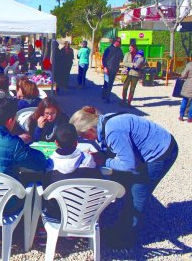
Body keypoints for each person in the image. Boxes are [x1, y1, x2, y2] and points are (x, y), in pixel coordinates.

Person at [69, 106, 178, 248]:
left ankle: (127, 238)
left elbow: (128, 165)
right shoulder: (103, 122)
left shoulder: (113, 130)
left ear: (90, 130)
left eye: (82, 136)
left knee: (137, 194)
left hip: (160, 152)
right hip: (154, 144)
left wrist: (103, 161)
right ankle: (121, 226)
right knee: (128, 187)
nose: (83, 139)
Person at [0, 97, 48, 244]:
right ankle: (29, 229)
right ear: (11, 121)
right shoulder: (14, 144)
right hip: (5, 203)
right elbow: (40, 163)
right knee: (33, 182)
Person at [101, 37, 124, 103]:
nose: (119, 43)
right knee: (106, 83)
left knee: (110, 84)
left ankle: (107, 98)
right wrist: (105, 67)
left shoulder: (119, 50)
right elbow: (104, 59)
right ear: (114, 41)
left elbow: (121, 58)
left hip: (114, 69)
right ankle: (104, 95)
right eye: (118, 42)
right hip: (107, 69)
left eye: (120, 42)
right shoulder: (108, 49)